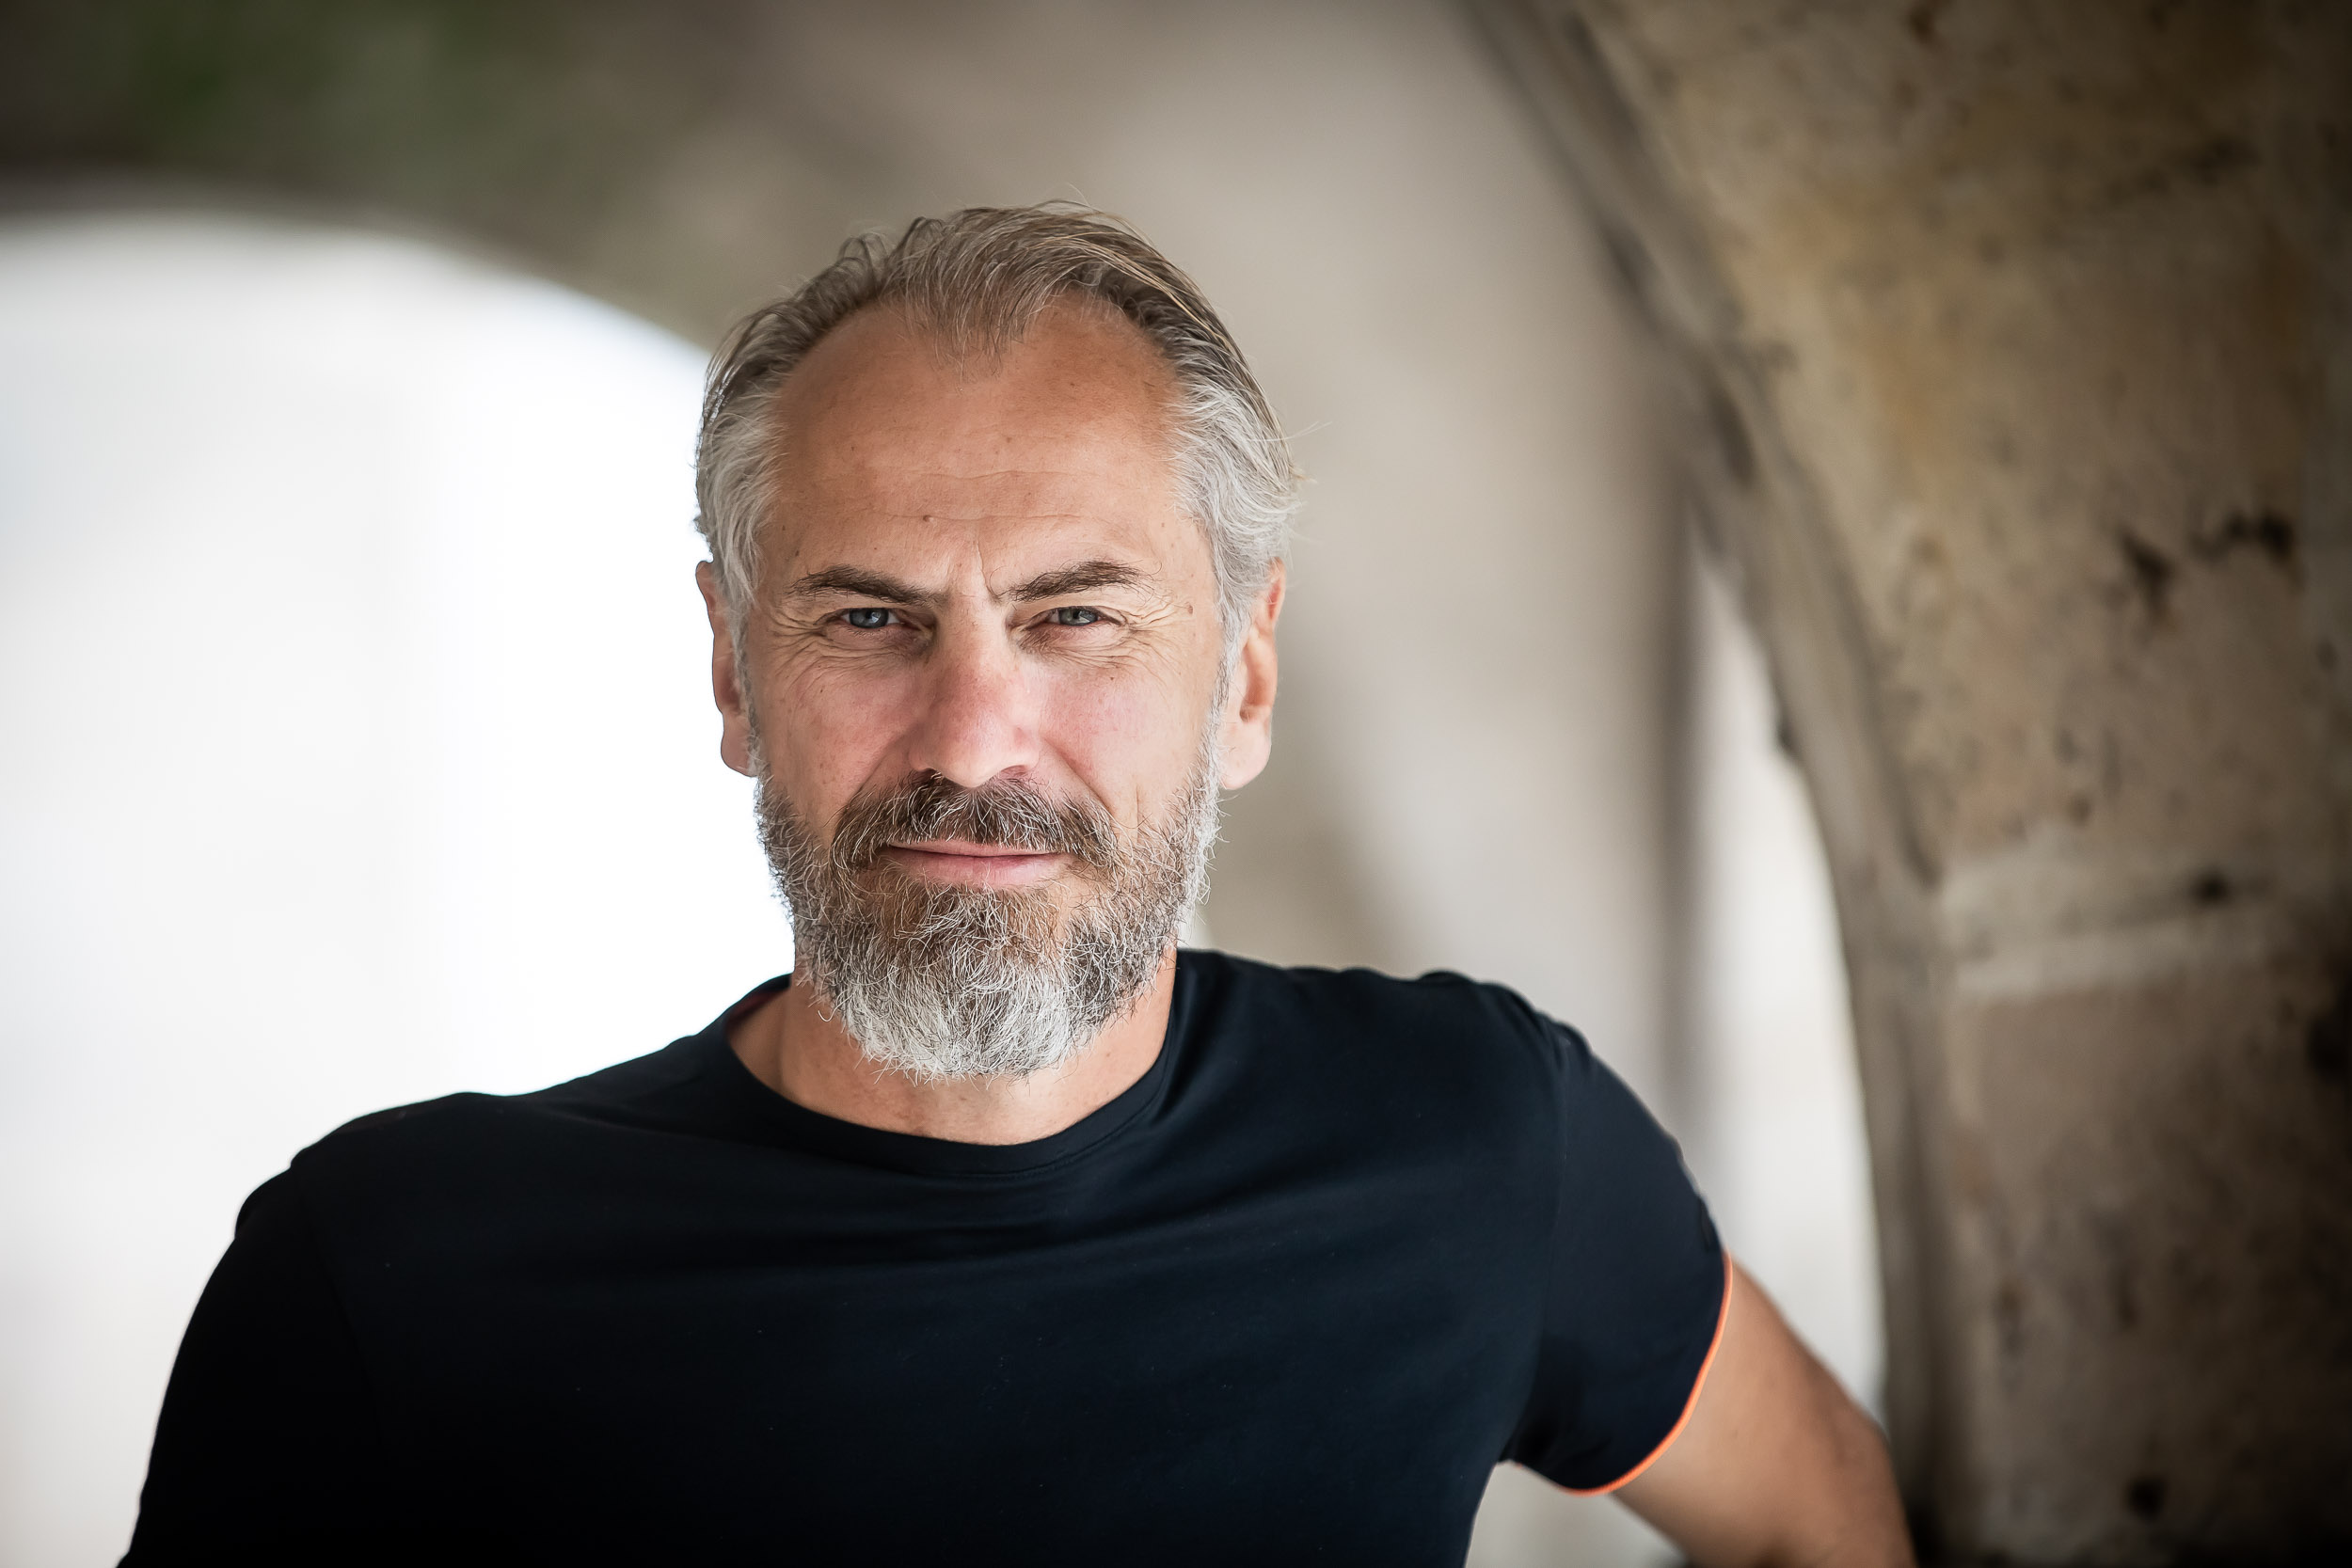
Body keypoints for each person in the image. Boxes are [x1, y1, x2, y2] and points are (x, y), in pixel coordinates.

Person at [124, 205, 1911, 1567]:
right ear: (735, 675)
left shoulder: (1476, 1143)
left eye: (1077, 616)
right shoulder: (389, 1278)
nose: (975, 734)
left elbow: (1814, 1519)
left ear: (1248, 677)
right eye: (867, 618)